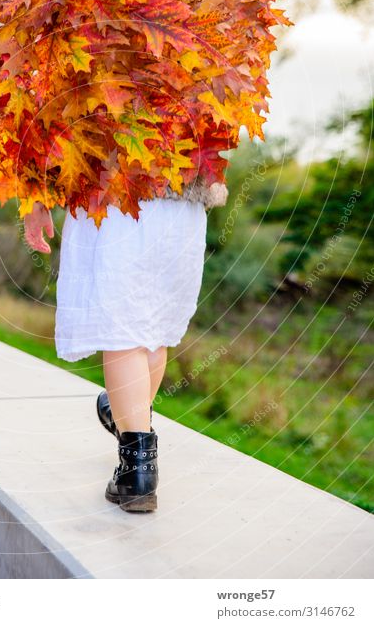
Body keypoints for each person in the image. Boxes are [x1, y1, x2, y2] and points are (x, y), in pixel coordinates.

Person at [23, 176, 228, 513]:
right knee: (152, 327)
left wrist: (37, 195)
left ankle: (136, 472)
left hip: (115, 193)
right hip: (182, 201)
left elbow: (59, 125)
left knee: (122, 329)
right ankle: (130, 422)